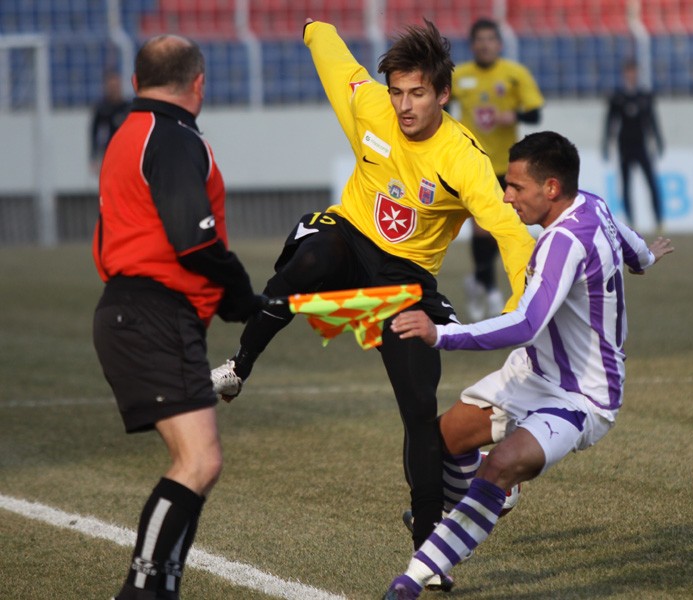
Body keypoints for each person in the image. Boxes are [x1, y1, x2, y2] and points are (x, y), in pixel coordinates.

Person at [211, 17, 535, 591]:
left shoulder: (463, 158)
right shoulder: (371, 106)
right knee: (308, 261)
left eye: (417, 93)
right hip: (349, 236)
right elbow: (336, 63)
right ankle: (239, 366)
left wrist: (523, 305)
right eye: (397, 92)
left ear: (443, 94)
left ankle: (429, 555)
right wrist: (313, 27)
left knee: (419, 408)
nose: (404, 105)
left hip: (406, 279)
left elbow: (509, 231)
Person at [382, 131, 674, 599]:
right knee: (440, 442)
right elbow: (630, 246)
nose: (506, 196)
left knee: (500, 464)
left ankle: (414, 577)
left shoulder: (562, 243)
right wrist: (645, 259)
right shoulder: (592, 204)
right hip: (531, 373)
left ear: (551, 188)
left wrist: (440, 334)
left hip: (581, 397)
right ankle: (494, 499)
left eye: (516, 187)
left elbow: (525, 324)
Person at [92, 35, 261, 600]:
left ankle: (159, 589)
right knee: (198, 461)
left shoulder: (128, 132)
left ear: (136, 81)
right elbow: (195, 241)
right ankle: (141, 590)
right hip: (153, 313)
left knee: (199, 463)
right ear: (199, 83)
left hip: (136, 312)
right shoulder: (172, 136)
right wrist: (241, 294)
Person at [450, 18, 545, 321]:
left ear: (499, 44)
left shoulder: (514, 75)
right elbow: (439, 106)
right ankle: (490, 289)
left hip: (508, 167)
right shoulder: (459, 76)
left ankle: (478, 281)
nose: (485, 45)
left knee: (500, 228)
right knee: (482, 227)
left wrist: (512, 115)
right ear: (472, 45)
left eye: (490, 39)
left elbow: (535, 114)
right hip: (473, 165)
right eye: (480, 40)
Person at [602, 58, 665, 231]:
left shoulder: (645, 96)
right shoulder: (617, 98)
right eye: (629, 72)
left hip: (641, 145)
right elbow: (610, 122)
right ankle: (631, 221)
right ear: (624, 74)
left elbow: (652, 120)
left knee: (651, 183)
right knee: (626, 185)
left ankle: (659, 220)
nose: (631, 75)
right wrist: (606, 143)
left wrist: (658, 140)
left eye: (634, 72)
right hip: (624, 146)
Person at [89, 69, 131, 174]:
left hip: (127, 152)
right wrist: (94, 157)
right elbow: (94, 133)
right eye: (111, 86)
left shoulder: (127, 108)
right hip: (109, 153)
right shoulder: (102, 109)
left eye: (116, 86)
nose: (114, 89)